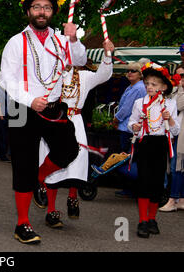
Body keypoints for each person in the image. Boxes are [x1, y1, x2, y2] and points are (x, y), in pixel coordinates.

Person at [0, 0, 87, 244]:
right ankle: (22, 224)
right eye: (37, 7)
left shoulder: (62, 40)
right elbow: (7, 79)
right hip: (23, 109)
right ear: (28, 11)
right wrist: (30, 99)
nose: (42, 11)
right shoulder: (16, 42)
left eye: (47, 8)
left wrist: (74, 38)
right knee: (22, 165)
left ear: (53, 13)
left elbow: (80, 59)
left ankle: (40, 178)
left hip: (53, 107)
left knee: (69, 150)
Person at [37, 41, 114, 227]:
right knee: (53, 164)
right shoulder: (48, 76)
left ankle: (73, 198)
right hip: (54, 123)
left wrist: (107, 54)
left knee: (76, 164)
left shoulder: (85, 76)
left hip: (75, 123)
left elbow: (104, 75)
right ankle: (51, 211)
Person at [128, 62, 180, 238]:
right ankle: (142, 220)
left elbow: (176, 131)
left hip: (161, 144)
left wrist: (170, 120)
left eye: (154, 84)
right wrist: (134, 126)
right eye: (147, 83)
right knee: (143, 181)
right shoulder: (139, 102)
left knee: (157, 183)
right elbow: (131, 123)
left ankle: (152, 219)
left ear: (163, 87)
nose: (149, 87)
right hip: (144, 143)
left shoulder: (170, 104)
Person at [112, 61, 146, 198]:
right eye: (128, 71)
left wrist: (116, 119)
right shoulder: (132, 86)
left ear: (140, 74)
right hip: (127, 126)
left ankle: (130, 189)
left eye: (133, 71)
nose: (129, 73)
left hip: (129, 128)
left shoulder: (138, 88)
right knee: (127, 157)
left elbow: (126, 108)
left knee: (127, 158)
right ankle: (128, 188)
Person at [160, 64, 184, 211]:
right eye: (178, 76)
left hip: (180, 133)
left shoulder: (181, 90)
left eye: (182, 76)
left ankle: (173, 199)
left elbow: (178, 105)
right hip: (177, 131)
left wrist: (181, 88)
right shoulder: (176, 90)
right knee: (179, 166)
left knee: (177, 166)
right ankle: (180, 198)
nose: (180, 79)